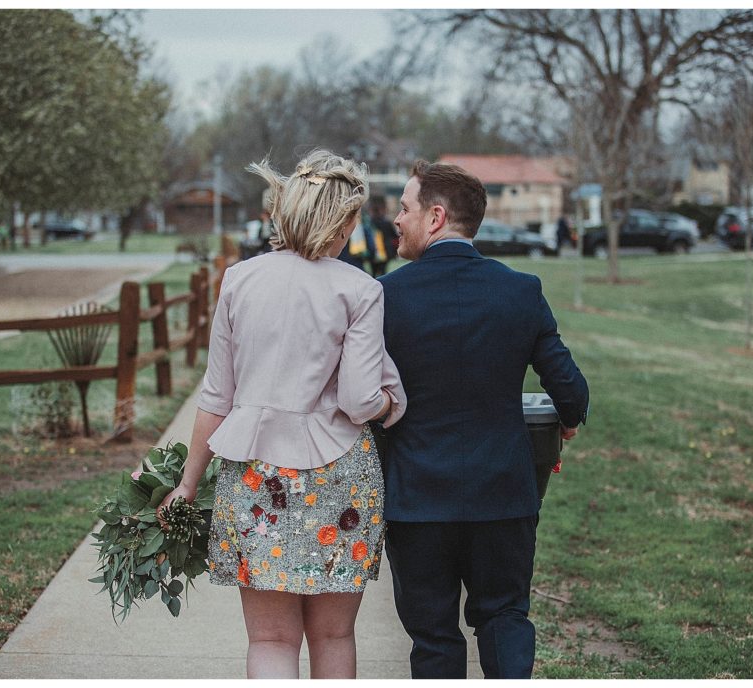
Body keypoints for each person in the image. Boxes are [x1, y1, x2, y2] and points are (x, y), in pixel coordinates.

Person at [158, 149, 406, 679]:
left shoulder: (238, 280)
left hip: (256, 475)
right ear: (343, 224)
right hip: (340, 476)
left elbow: (216, 397)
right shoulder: (361, 289)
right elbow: (361, 400)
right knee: (334, 635)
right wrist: (391, 403)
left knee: (270, 639)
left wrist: (187, 484)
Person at [377, 160, 589, 679]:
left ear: (435, 217)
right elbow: (571, 392)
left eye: (404, 209)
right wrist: (565, 420)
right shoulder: (520, 290)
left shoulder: (385, 296)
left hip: (417, 500)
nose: (396, 220)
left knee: (433, 636)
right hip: (503, 494)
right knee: (505, 618)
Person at [368, 199, 399, 276]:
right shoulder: (386, 222)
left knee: (373, 272)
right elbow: (394, 235)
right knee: (383, 272)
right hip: (385, 250)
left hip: (373, 250)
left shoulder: (369, 223)